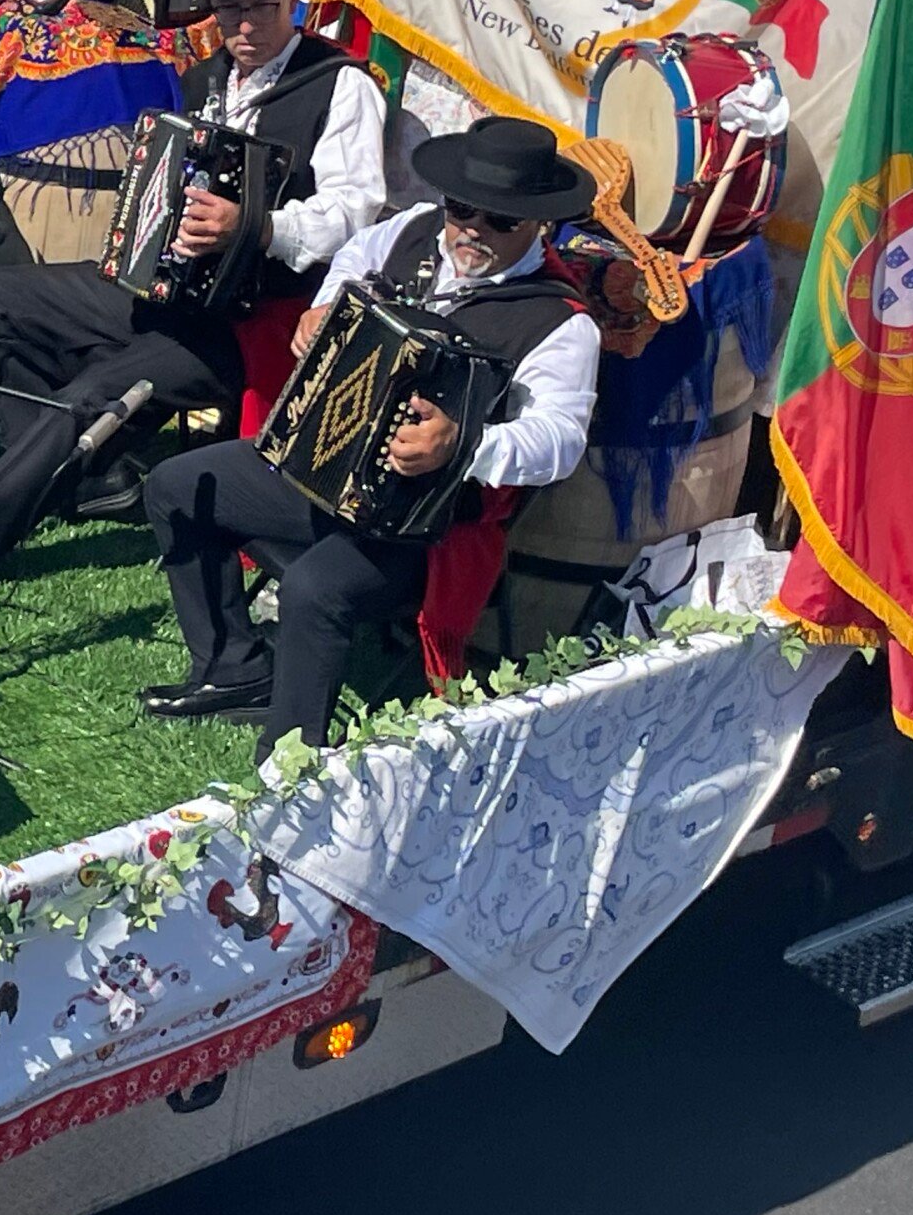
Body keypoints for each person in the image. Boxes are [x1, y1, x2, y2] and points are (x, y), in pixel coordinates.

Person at [0, 0, 386, 610]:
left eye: (261, 5)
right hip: (166, 289)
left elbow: (356, 213)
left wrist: (254, 227)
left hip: (252, 319)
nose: (245, 25)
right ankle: (88, 474)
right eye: (231, 8)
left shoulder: (341, 86)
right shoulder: (203, 81)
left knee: (91, 398)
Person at [140, 119, 599, 755]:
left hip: (425, 526)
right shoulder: (411, 231)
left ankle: (291, 766)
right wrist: (327, 305)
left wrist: (462, 445)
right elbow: (353, 258)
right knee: (178, 486)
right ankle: (233, 669)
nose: (471, 231)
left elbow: (560, 440)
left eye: (500, 221)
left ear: (538, 225)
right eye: (462, 209)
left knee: (312, 588)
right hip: (323, 463)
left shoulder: (561, 322)